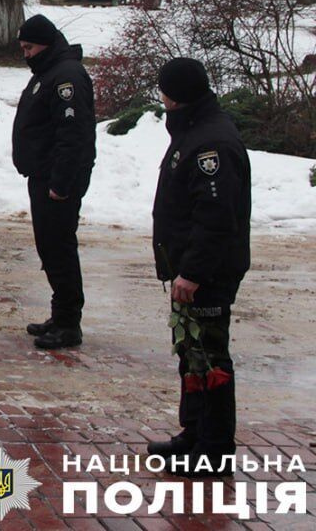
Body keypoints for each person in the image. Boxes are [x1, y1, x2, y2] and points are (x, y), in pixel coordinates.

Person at [146, 58, 250, 477]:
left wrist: (193, 273)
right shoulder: (193, 129)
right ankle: (195, 434)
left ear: (177, 94)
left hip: (207, 272)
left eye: (165, 91)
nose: (162, 99)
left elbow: (215, 217)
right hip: (190, 268)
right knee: (192, 354)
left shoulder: (212, 145)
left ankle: (214, 450)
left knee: (209, 358)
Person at [11, 15, 96, 349]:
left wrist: (61, 183)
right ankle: (60, 313)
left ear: (45, 43)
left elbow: (72, 136)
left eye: (29, 47)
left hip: (57, 179)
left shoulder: (66, 77)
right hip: (43, 174)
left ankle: (68, 322)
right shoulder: (49, 71)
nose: (26, 54)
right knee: (49, 245)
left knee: (59, 246)